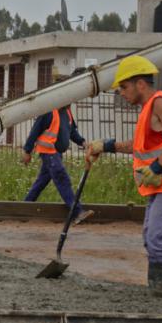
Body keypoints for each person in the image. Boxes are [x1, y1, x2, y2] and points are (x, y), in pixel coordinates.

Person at [87, 55, 162, 298]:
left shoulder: (160, 102)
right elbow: (139, 145)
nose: (121, 92)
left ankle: (160, 292)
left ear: (140, 84)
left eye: (124, 87)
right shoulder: (148, 109)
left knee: (158, 242)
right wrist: (106, 145)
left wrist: (158, 168)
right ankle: (160, 293)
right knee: (151, 239)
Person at [21, 71, 94, 225]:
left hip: (56, 153)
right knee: (62, 178)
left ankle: (24, 207)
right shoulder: (49, 111)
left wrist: (82, 142)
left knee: (41, 182)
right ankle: (77, 212)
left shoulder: (66, 112)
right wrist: (27, 151)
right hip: (48, 152)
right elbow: (35, 131)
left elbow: (72, 131)